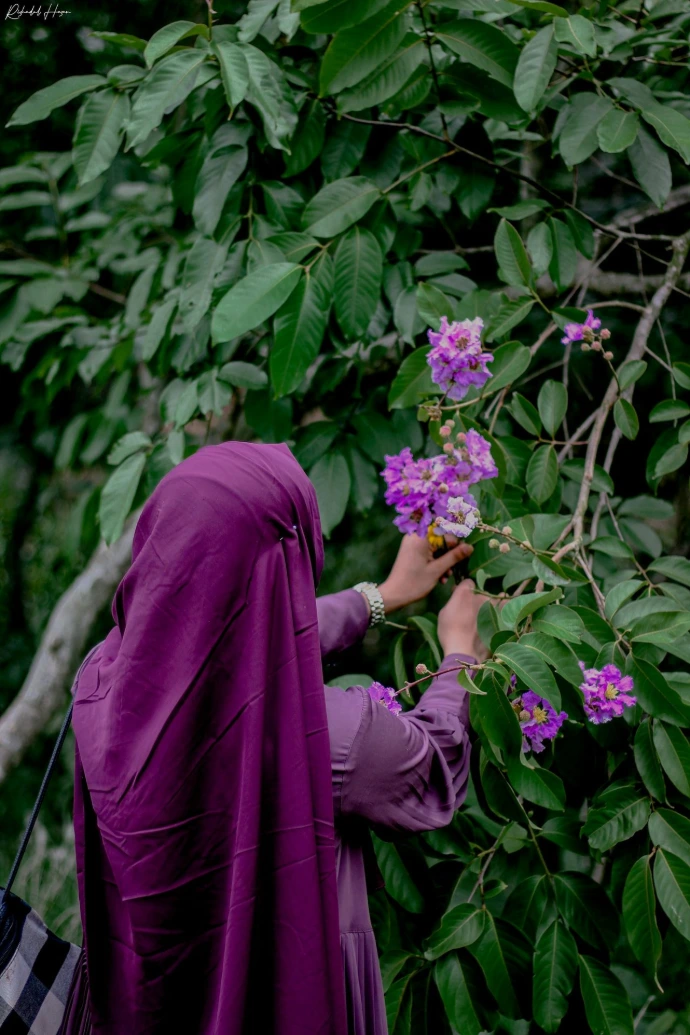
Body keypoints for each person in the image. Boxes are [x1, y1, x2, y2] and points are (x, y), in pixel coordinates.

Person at [62, 441, 485, 1035]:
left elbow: (221, 643)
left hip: (147, 1004)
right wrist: (462, 652)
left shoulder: (102, 683)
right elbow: (432, 764)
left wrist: (378, 598)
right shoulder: (329, 742)